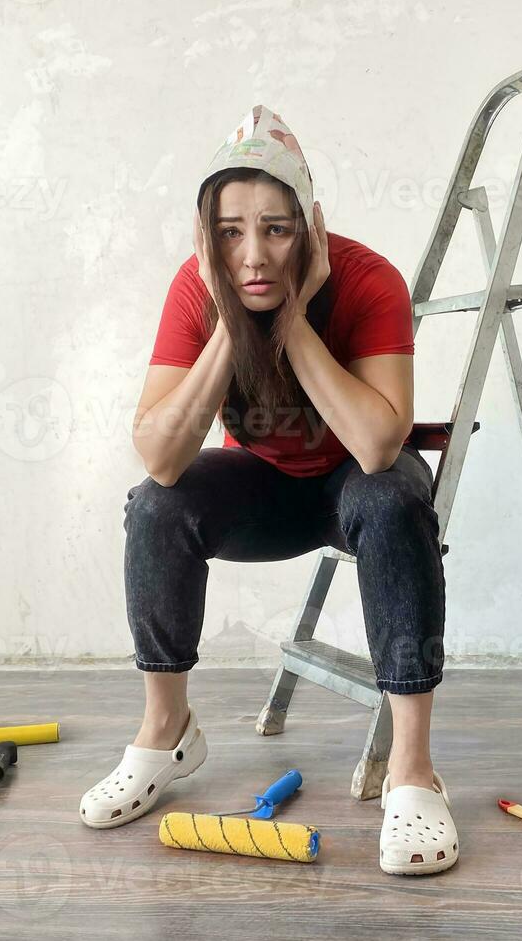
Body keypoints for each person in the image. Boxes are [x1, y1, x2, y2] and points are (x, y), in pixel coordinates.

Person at [79, 106, 457, 875]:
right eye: (228, 233)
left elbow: (378, 443)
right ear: (203, 235)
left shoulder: (365, 278)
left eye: (277, 230)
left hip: (356, 483)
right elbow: (159, 455)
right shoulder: (198, 288)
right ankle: (166, 732)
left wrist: (291, 316)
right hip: (268, 490)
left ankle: (412, 769)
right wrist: (226, 316)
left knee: (392, 498)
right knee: (156, 504)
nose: (252, 255)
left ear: (311, 227)